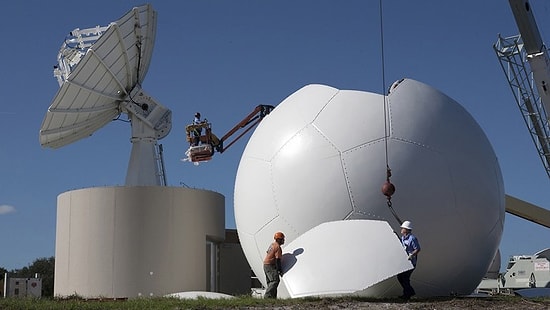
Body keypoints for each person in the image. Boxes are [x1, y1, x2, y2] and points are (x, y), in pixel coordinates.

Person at [397, 220, 420, 300]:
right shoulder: (403, 238)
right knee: (400, 277)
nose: (401, 229)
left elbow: (417, 249)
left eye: (403, 228)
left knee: (405, 278)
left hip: (411, 262)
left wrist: (412, 255)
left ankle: (407, 295)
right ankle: (409, 292)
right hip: (405, 262)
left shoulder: (412, 239)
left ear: (406, 229)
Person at [263, 231, 285, 298]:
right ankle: (267, 297)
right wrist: (279, 270)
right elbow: (278, 259)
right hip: (270, 265)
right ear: (278, 239)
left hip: (266, 264)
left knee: (270, 282)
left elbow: (268, 252)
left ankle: (272, 298)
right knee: (275, 281)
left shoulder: (272, 244)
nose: (283, 240)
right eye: (282, 239)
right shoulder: (277, 247)